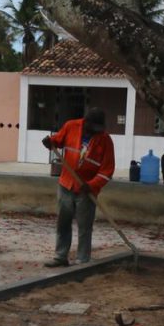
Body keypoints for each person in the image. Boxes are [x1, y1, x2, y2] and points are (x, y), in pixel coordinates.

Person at [41, 108, 115, 266]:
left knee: (85, 227)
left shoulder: (105, 140)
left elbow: (107, 170)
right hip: (66, 184)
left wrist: (92, 185)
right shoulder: (71, 126)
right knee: (63, 222)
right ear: (85, 122)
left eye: (98, 129)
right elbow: (58, 141)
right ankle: (60, 256)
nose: (96, 132)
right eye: (93, 128)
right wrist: (50, 142)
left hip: (86, 190)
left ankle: (82, 260)